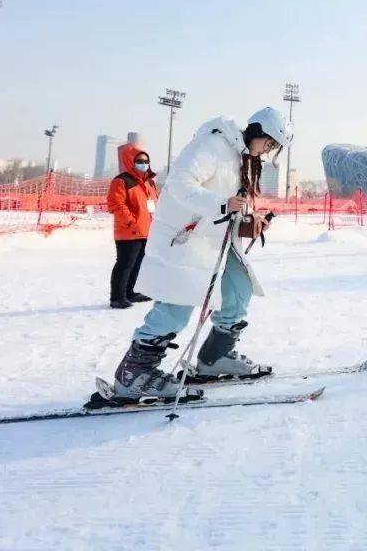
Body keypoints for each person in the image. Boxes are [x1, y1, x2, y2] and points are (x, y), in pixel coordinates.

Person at [110, 107, 292, 400]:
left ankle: (214, 358)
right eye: (269, 144)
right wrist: (222, 205)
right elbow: (180, 184)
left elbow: (230, 198)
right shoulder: (213, 144)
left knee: (238, 289)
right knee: (177, 305)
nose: (267, 151)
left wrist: (249, 217)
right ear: (257, 131)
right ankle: (134, 374)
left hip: (215, 239)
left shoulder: (239, 156)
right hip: (186, 238)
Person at [106, 143, 159, 309]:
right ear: (131, 161)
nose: (144, 164)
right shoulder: (122, 181)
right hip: (129, 232)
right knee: (125, 263)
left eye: (146, 161)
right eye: (139, 161)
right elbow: (116, 204)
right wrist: (131, 222)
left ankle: (130, 292)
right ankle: (117, 297)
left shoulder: (150, 182)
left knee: (138, 263)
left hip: (146, 230)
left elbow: (155, 203)